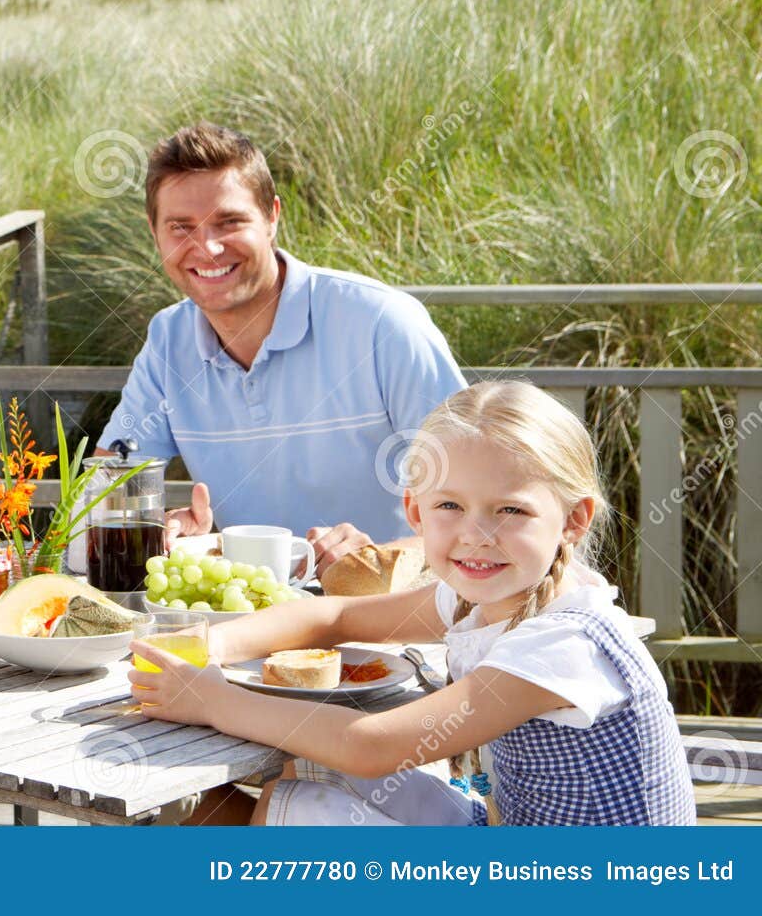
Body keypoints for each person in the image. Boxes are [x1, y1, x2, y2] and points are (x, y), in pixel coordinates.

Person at [129, 380, 696, 826]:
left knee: (305, 810)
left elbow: (371, 745)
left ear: (573, 520)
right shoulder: (482, 596)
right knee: (297, 781)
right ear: (416, 512)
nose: (477, 535)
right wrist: (212, 644)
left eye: (511, 510)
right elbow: (335, 615)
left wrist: (213, 702)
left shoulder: (564, 644)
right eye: (450, 505)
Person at [98, 123, 466, 574]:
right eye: (181, 227)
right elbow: (109, 489)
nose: (207, 247)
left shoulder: (383, 323)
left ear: (273, 217)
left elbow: (481, 501)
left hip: (393, 616)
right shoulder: (167, 341)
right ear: (154, 233)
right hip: (242, 617)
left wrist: (385, 557)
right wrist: (160, 529)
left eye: (229, 222)